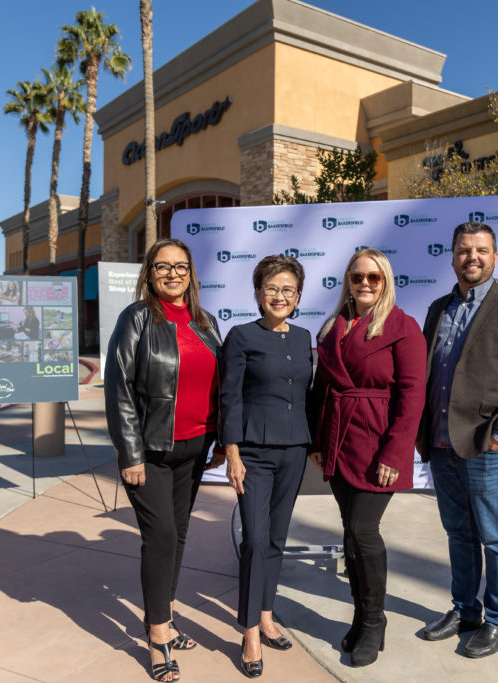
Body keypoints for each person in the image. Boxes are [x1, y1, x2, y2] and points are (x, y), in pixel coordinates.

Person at [417, 222, 498, 659]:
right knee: (458, 533)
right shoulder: (438, 308)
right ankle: (465, 610)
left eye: (481, 250)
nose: (471, 257)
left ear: (494, 257)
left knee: (495, 536)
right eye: (464, 250)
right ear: (452, 256)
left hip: (487, 444)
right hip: (440, 442)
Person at [105, 238, 224, 682]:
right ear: (149, 274)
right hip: (151, 453)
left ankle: (166, 619)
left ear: (191, 272)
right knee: (161, 538)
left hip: (194, 450)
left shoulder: (205, 321)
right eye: (162, 267)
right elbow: (118, 389)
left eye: (180, 266)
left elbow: (218, 385)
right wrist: (129, 454)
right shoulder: (136, 319)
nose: (172, 274)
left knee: (176, 539)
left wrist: (219, 441)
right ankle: (157, 636)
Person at [309, 247, 426, 667]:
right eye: (357, 276)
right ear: (347, 280)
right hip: (339, 441)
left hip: (379, 444)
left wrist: (396, 451)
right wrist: (318, 443)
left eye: (373, 278)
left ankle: (375, 621)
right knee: (350, 533)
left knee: (363, 530)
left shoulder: (403, 327)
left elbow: (413, 396)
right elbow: (322, 389)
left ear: (386, 282)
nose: (364, 284)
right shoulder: (332, 327)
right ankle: (361, 616)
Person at [219, 255, 314, 678]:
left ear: (298, 297)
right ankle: (250, 631)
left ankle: (268, 613)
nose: (280, 296)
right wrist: (232, 452)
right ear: (259, 293)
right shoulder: (240, 336)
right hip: (253, 452)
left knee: (276, 537)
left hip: (294, 449)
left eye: (288, 290)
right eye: (272, 288)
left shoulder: (304, 337)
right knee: (254, 540)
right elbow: (230, 397)